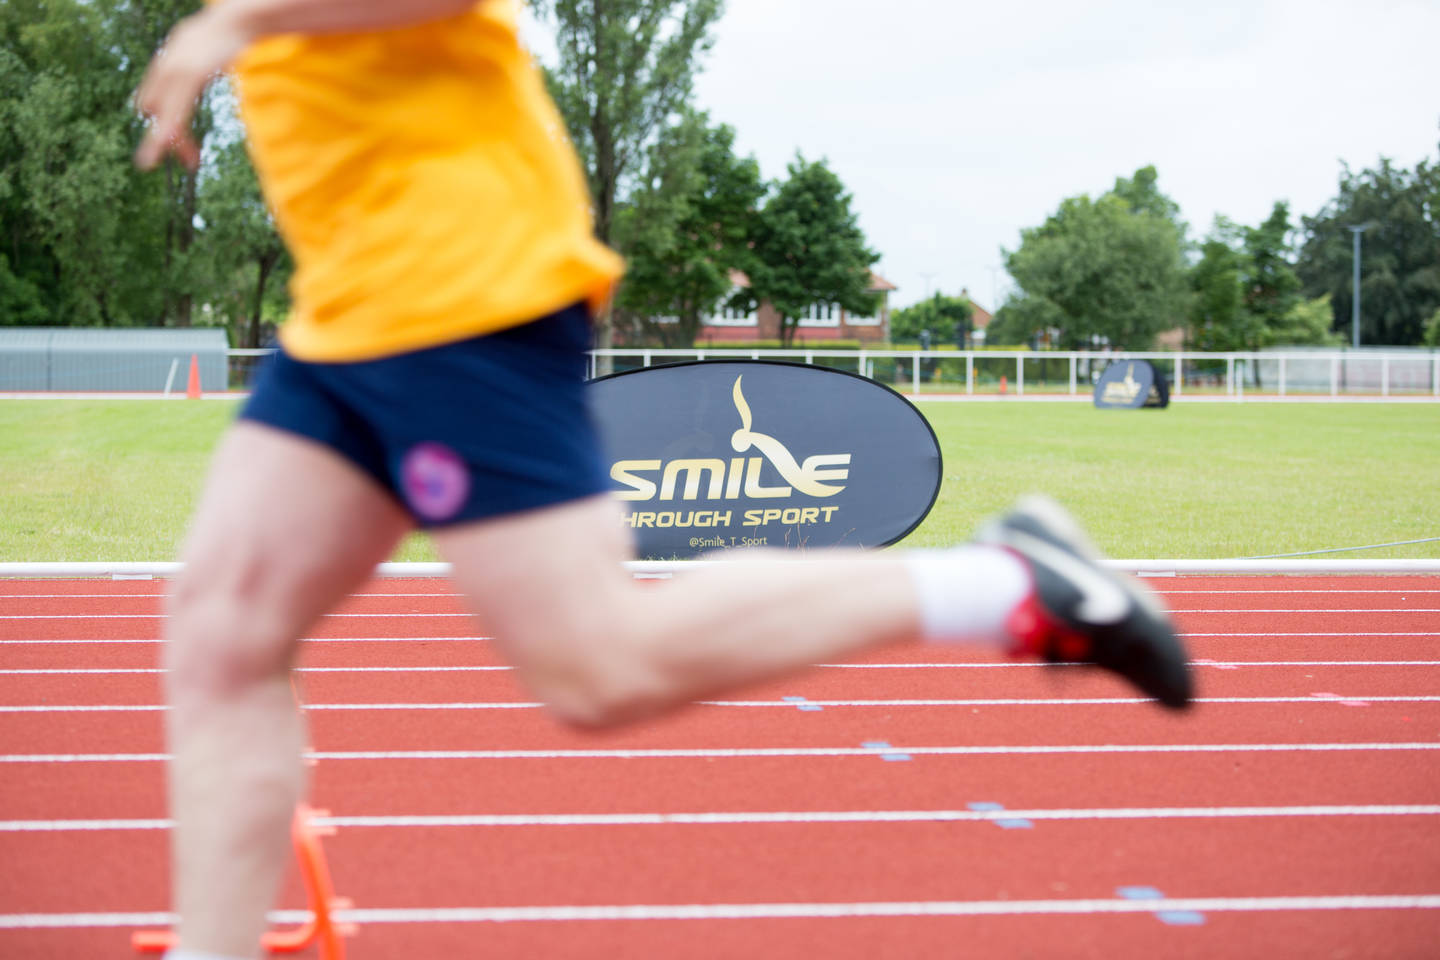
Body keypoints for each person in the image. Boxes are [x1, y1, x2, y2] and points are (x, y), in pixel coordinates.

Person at [135, 2, 1192, 958]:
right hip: (352, 304)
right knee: (223, 628)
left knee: (598, 660)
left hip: (459, 289)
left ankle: (1009, 585)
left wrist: (234, 22)